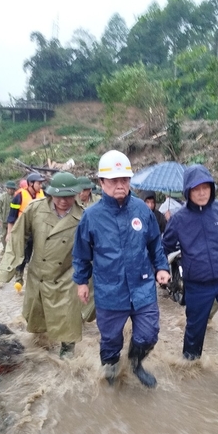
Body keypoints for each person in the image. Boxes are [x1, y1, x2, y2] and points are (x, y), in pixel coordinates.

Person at [73, 150, 170, 387]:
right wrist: (82, 282)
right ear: (102, 182)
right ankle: (111, 371)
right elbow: (81, 254)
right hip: (109, 289)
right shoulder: (91, 217)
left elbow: (155, 243)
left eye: (124, 180)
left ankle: (135, 363)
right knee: (110, 339)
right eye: (114, 180)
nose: (120, 185)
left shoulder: (141, 210)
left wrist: (161, 267)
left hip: (142, 285)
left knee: (149, 334)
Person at [162, 165, 218, 386]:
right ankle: (189, 364)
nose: (202, 193)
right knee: (195, 328)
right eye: (196, 189)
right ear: (188, 192)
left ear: (212, 189)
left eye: (206, 188)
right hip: (197, 284)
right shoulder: (179, 219)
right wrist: (161, 268)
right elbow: (163, 246)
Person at [0, 172, 84, 358]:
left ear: (75, 194)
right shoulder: (35, 209)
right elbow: (19, 236)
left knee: (68, 318)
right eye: (59, 196)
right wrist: (10, 266)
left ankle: (67, 357)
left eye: (68, 196)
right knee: (35, 315)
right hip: (39, 273)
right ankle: (41, 345)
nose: (63, 201)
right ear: (51, 193)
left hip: (67, 275)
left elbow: (94, 247)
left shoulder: (83, 216)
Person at [7, 172, 46, 284]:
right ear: (31, 184)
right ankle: (19, 278)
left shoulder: (43, 195)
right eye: (39, 183)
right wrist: (9, 233)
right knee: (22, 255)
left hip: (39, 231)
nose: (41, 186)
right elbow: (11, 217)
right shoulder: (19, 196)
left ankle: (37, 280)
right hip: (23, 231)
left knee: (39, 255)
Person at [0, 181, 18, 250]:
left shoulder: (17, 197)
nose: (11, 190)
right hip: (3, 221)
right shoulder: (2, 197)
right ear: (6, 189)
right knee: (3, 236)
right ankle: (5, 249)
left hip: (14, 222)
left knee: (13, 237)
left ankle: (11, 250)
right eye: (9, 189)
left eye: (12, 189)